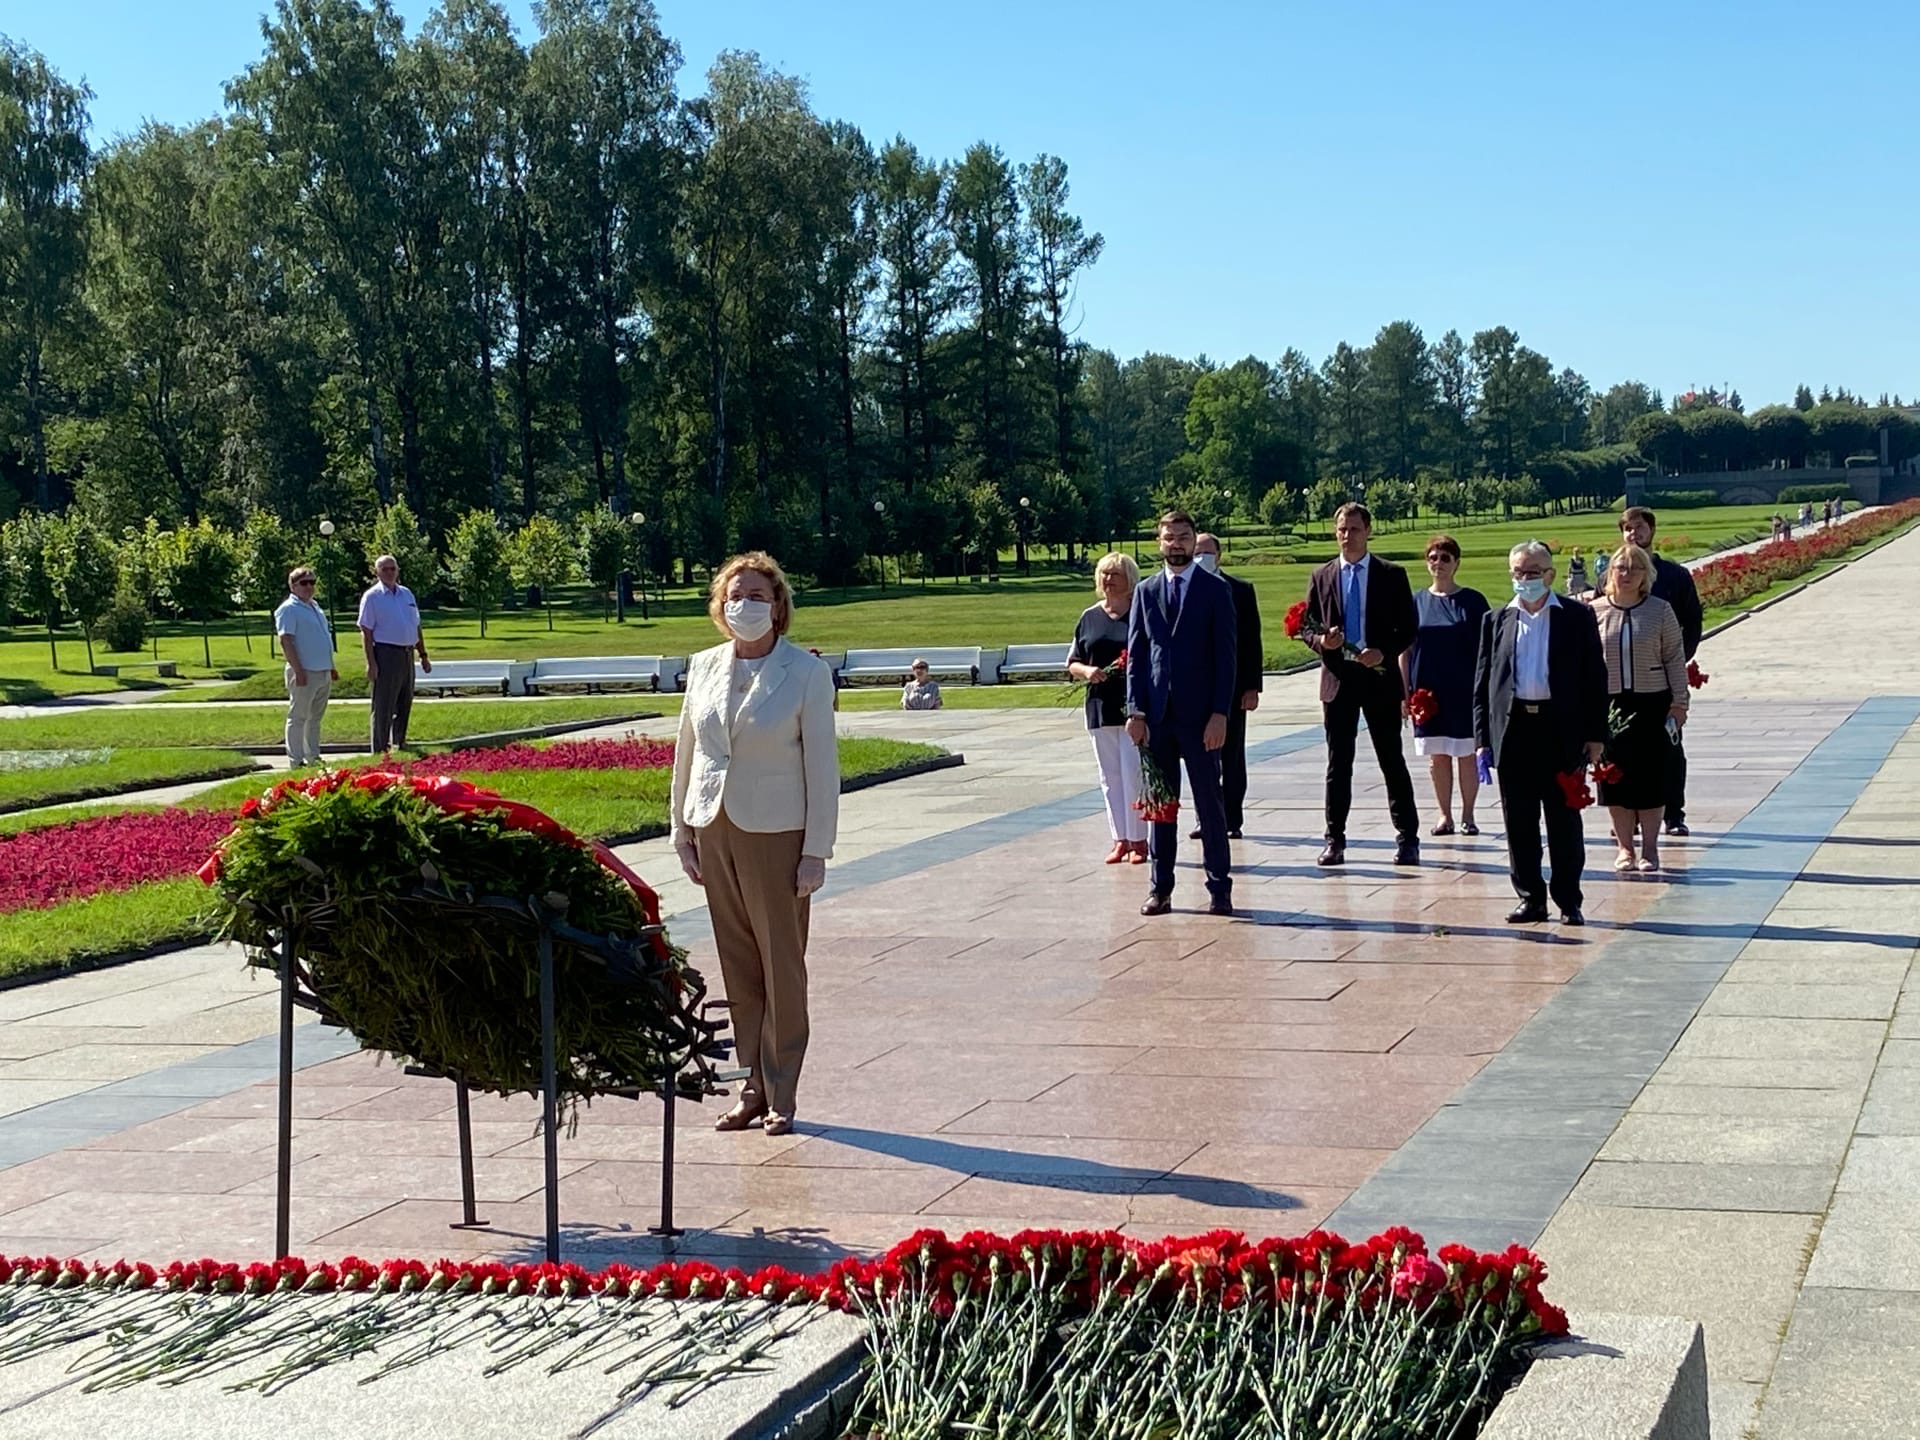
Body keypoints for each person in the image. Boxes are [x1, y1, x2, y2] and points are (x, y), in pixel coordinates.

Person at [670, 551, 838, 1137]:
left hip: (778, 834)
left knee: (781, 964)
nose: (745, 605)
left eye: (758, 596)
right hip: (714, 826)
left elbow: (823, 765)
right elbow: (687, 752)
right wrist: (681, 828)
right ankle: (751, 1084)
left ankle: (782, 1089)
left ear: (779, 605)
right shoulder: (705, 666)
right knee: (739, 964)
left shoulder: (807, 674)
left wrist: (816, 848)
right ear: (720, 605)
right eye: (735, 595)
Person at [1473, 540, 1608, 925]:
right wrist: (1482, 738)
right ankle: (1530, 897)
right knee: (1519, 820)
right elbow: (1483, 684)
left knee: (1564, 820)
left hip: (1560, 730)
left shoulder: (1575, 617)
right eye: (1519, 572)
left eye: (1533, 572)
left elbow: (1595, 679)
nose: (1525, 579)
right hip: (1514, 730)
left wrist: (1596, 734)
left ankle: (1569, 899)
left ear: (1550, 574)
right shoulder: (1496, 620)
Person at [1125, 510, 1237, 917]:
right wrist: (1135, 711)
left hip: (1201, 719)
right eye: (1169, 537)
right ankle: (1161, 888)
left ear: (1194, 542)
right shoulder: (1146, 591)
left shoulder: (1213, 590)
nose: (1176, 544)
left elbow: (1227, 659)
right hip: (1157, 719)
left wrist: (1219, 714)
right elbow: (1137, 656)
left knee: (1210, 805)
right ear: (1159, 542)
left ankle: (1219, 887)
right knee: (1162, 807)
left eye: (1183, 537)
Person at [1303, 502, 1421, 867]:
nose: (1346, 535)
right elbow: (1306, 626)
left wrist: (1383, 653)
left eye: (1353, 529)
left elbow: (1408, 627)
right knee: (1339, 763)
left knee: (1391, 760)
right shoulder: (1322, 575)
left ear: (1368, 531)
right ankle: (1334, 838)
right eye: (1341, 529)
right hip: (1339, 681)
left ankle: (1407, 838)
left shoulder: (1391, 574)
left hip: (1379, 678)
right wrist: (1322, 643)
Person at [1591, 543, 1688, 874]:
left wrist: (1679, 704)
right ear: (1610, 573)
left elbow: (1674, 657)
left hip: (1651, 703)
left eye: (1635, 568)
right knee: (1613, 780)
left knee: (1650, 778)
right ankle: (1624, 847)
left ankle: (1649, 848)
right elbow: (1585, 664)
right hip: (1609, 706)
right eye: (1621, 567)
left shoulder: (1660, 610)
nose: (1627, 574)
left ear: (1646, 575)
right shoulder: (1595, 611)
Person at [1618, 506, 1702, 836]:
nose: (1633, 534)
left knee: (1668, 747)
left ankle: (1673, 813)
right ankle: (1628, 815)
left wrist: (1678, 661)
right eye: (1627, 529)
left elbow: (1692, 622)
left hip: (1662, 681)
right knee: (1622, 750)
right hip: (1622, 682)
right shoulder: (1613, 574)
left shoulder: (1675, 576)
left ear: (1651, 530)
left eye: (1638, 527)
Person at [1401, 534, 1489, 837]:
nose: (1438, 563)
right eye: (1433, 557)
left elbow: (1485, 649)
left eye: (1445, 558)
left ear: (1456, 563)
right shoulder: (1415, 602)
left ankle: (1468, 814)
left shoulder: (1473, 602)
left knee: (1466, 753)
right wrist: (1405, 692)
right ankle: (1444, 815)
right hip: (1428, 690)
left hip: (1464, 689)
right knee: (1437, 755)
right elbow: (1405, 651)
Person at [1069, 552, 1147, 864]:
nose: (1108, 580)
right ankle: (1120, 839)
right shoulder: (1089, 616)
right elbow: (1072, 661)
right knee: (1110, 776)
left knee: (1134, 774)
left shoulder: (1141, 612)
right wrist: (1087, 672)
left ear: (1130, 579)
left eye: (1115, 574)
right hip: (1100, 706)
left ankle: (1140, 840)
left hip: (1133, 706)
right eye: (1104, 574)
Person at [1192, 532, 1263, 839]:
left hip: (1231, 689)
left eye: (1207, 553)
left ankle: (1232, 818)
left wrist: (1252, 686)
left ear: (1219, 556)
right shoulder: (1185, 588)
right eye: (1197, 552)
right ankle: (1205, 818)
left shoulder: (1240, 590)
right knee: (1200, 757)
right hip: (1195, 689)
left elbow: (1251, 641)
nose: (1202, 558)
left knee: (1231, 755)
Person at [357, 554, 431, 753]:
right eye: (385, 569)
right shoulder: (372, 597)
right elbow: (366, 631)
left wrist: (422, 654)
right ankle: (380, 748)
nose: (390, 572)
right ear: (377, 572)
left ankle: (400, 742)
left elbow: (416, 625)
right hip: (385, 652)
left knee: (404, 701)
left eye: (393, 568)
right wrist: (371, 663)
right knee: (384, 704)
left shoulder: (407, 594)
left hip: (407, 653)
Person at [273, 566, 337, 767]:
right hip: (304, 671)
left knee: (315, 718)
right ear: (293, 586)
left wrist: (331, 666)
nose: (309, 587)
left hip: (322, 670)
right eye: (304, 583)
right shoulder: (288, 609)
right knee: (298, 716)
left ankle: (313, 756)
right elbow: (286, 641)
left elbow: (323, 638)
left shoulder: (315, 606)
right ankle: (296, 759)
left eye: (312, 582)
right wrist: (298, 670)